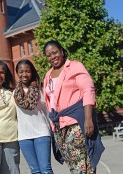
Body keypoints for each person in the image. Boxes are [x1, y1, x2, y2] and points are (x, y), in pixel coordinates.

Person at [43, 40, 105, 174]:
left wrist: (88, 119)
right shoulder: (48, 75)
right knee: (74, 165)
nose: (53, 57)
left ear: (62, 51)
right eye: (49, 55)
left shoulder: (75, 66)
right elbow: (50, 101)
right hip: (59, 126)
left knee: (80, 166)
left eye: (55, 52)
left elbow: (88, 90)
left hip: (75, 123)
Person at [13, 59, 54, 174]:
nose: (24, 74)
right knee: (35, 171)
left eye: (27, 71)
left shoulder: (42, 89)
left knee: (45, 169)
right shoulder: (14, 94)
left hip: (42, 133)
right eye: (21, 72)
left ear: (32, 72)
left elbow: (51, 109)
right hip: (24, 136)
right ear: (17, 73)